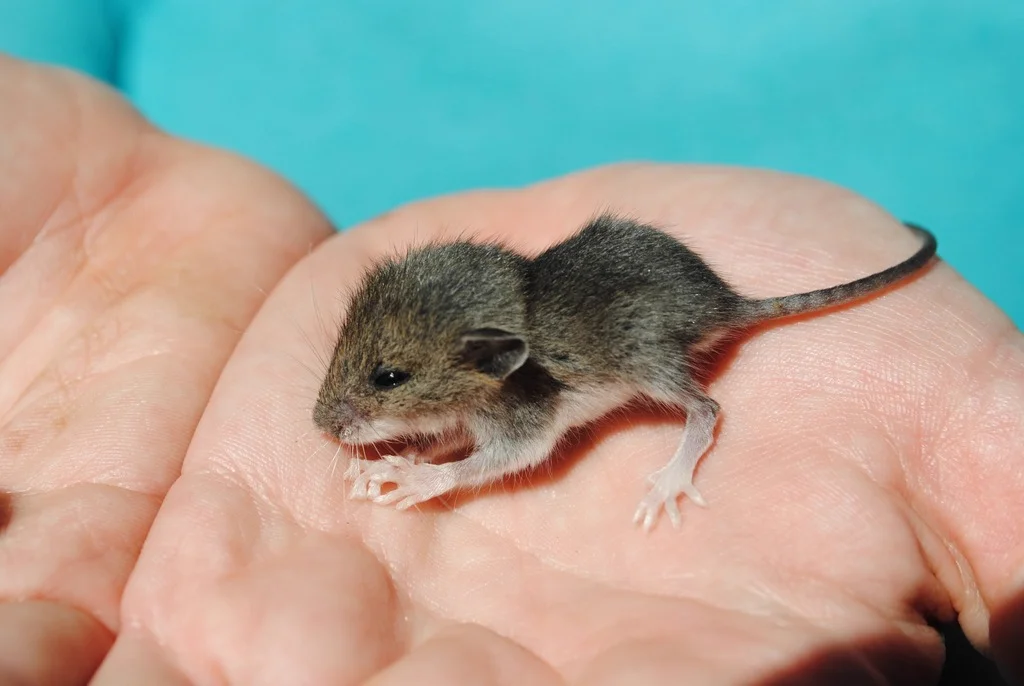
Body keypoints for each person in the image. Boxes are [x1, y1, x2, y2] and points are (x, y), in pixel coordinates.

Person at [1, 55, 1021, 686]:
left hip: (655, 314)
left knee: (666, 386)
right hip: (593, 274)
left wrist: (436, 472)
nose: (349, 410)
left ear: (492, 361)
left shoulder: (521, 383)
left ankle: (692, 431)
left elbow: (524, 438)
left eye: (385, 386)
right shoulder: (471, 346)